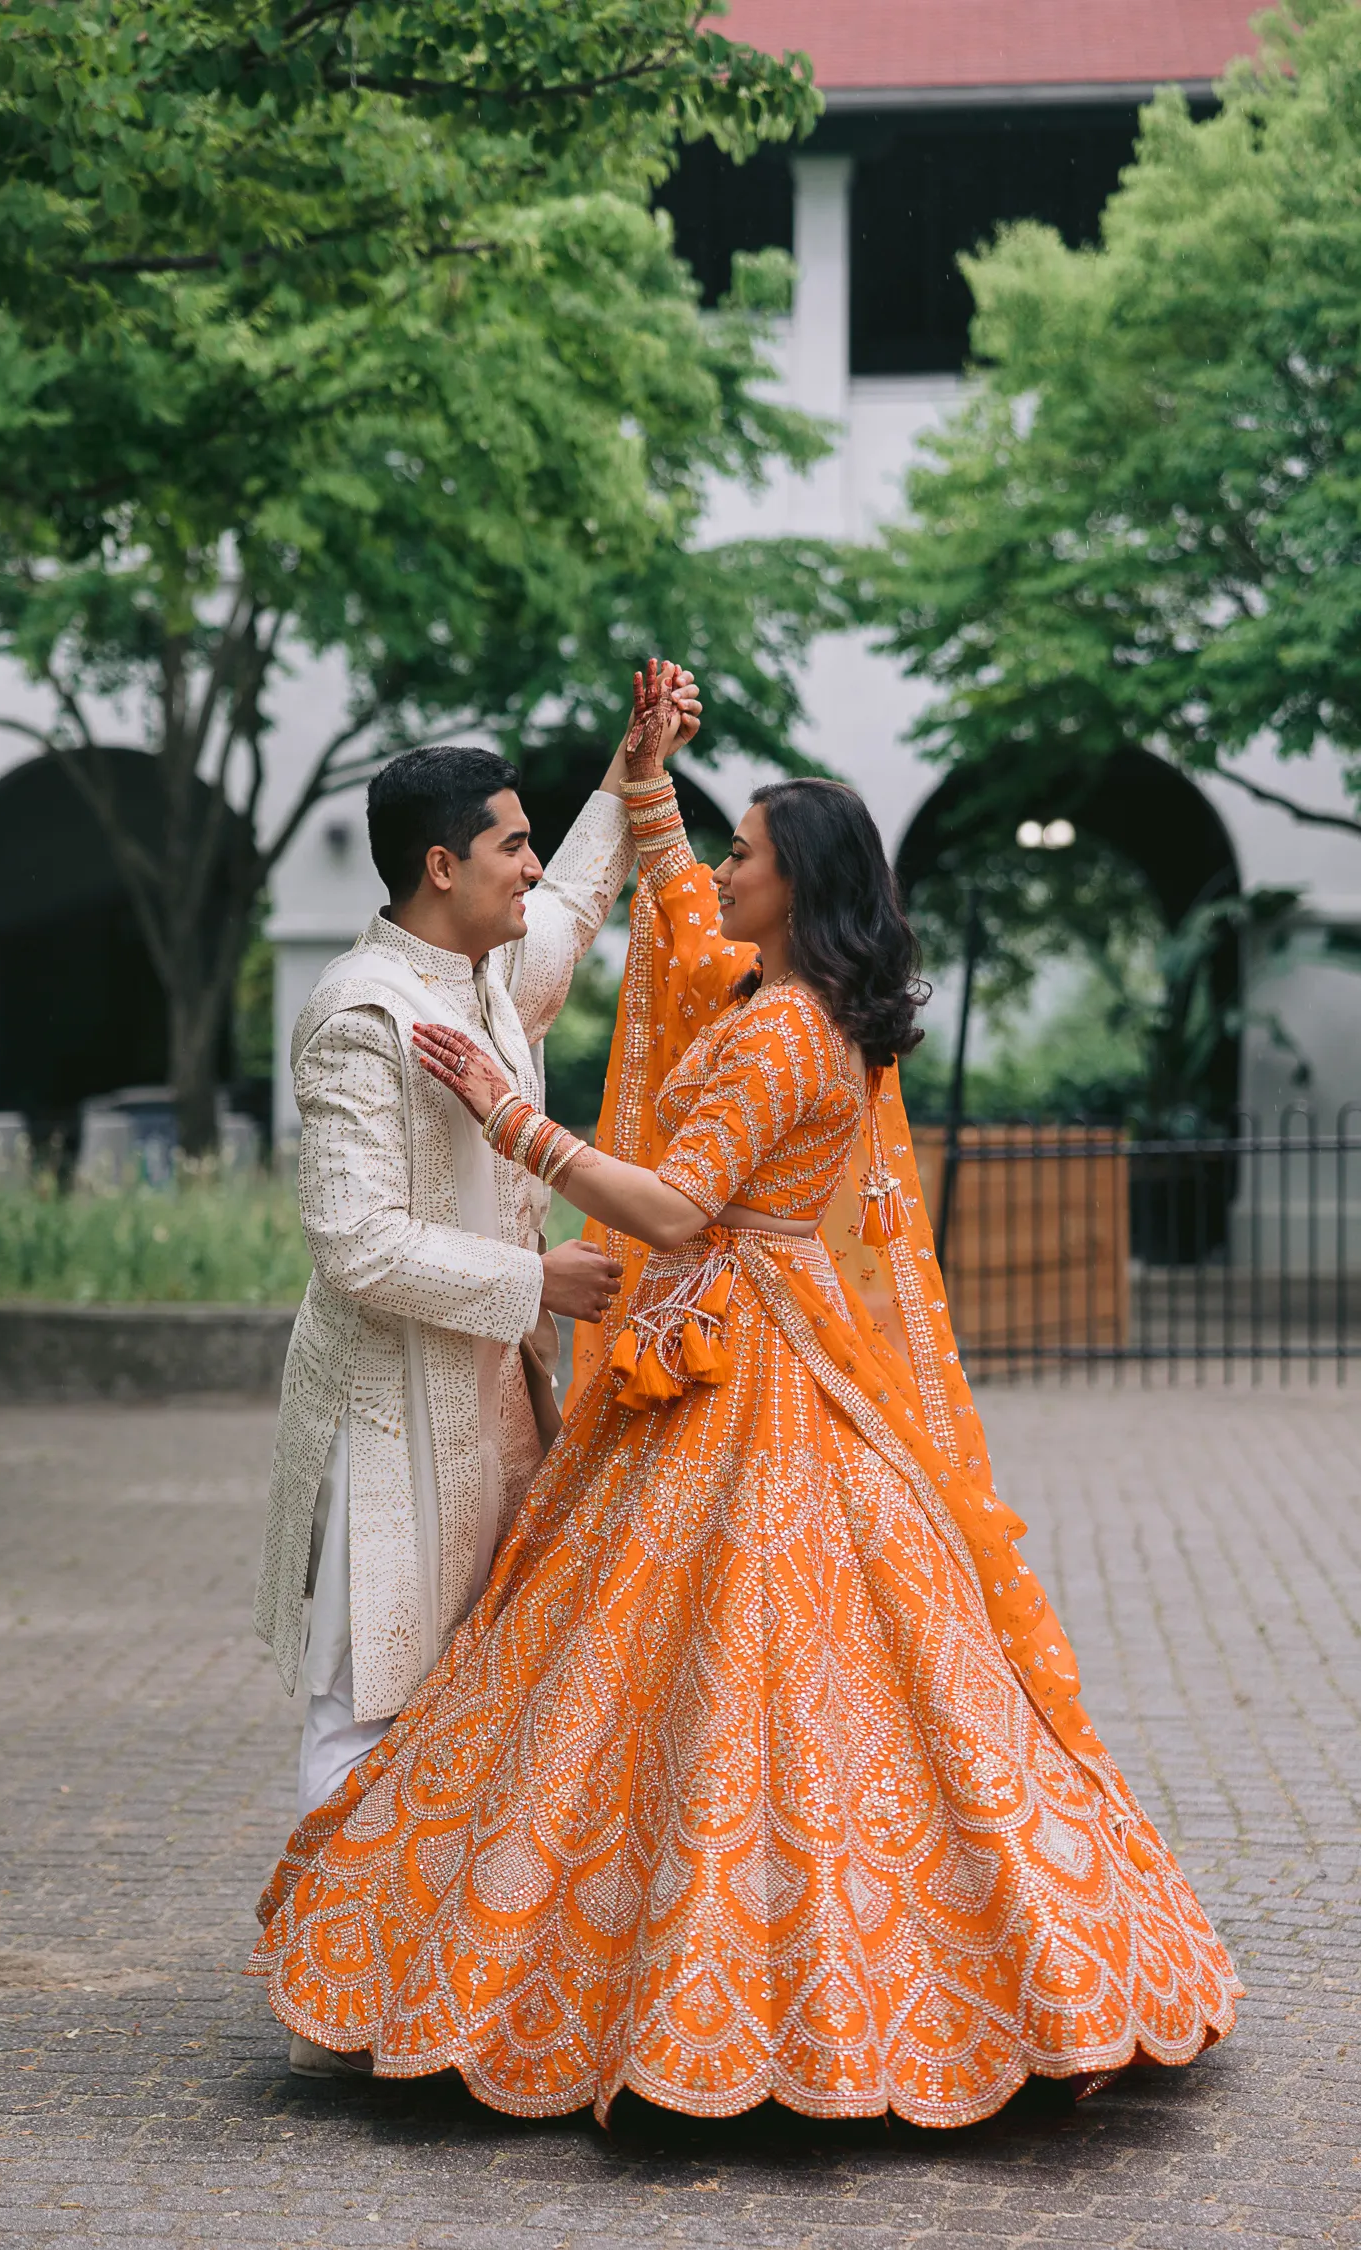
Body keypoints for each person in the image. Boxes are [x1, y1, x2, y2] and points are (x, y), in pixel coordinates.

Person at [248, 667, 1240, 2126]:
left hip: (739, 1357)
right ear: (447, 865)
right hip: (592, 1368)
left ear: (800, 884)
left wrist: (518, 1126)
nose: (719, 870)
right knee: (660, 1669)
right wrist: (639, 784)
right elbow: (631, 921)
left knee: (672, 1669)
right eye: (510, 843)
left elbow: (670, 1201)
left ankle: (527, 1972)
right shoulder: (757, 995)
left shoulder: (777, 1027)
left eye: (746, 852)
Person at [251, 683, 699, 2078]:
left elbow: (566, 908)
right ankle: (330, 1985)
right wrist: (539, 1285)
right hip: (387, 1420)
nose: (524, 865)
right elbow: (354, 1241)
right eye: (504, 842)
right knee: (370, 1696)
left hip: (498, 1404)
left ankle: (415, 1981)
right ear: (441, 867)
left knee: (477, 1686)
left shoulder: (486, 975)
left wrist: (633, 776)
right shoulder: (359, 1014)